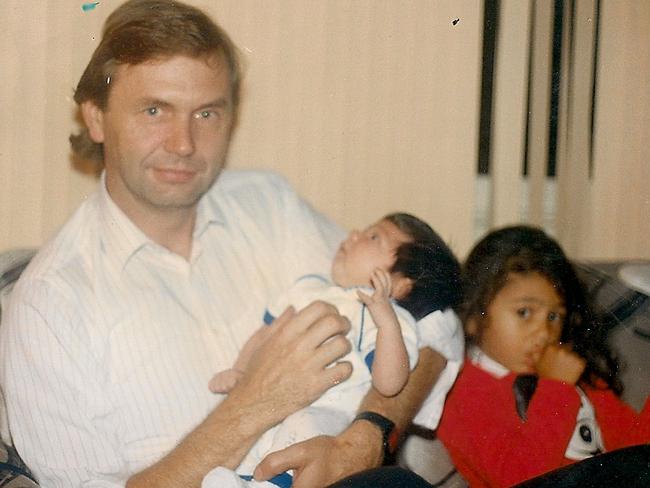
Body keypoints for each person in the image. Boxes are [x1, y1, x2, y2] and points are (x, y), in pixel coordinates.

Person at [0, 1, 460, 486]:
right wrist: (254, 403)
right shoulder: (48, 306)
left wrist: (362, 440)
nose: (183, 143)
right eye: (155, 110)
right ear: (96, 118)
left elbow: (437, 320)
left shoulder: (269, 206)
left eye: (207, 113)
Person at [206, 213, 462, 486]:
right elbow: (266, 333)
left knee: (302, 427)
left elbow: (389, 384)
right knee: (256, 438)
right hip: (277, 402)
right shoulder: (309, 288)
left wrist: (385, 318)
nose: (353, 234)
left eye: (374, 237)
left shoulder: (389, 321)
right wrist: (241, 369)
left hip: (329, 416)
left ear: (399, 284)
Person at [437, 225, 650, 488]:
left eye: (553, 316)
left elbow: (636, 451)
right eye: (524, 313)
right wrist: (556, 388)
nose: (544, 333)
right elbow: (521, 478)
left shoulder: (578, 377)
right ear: (472, 316)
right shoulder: (464, 392)